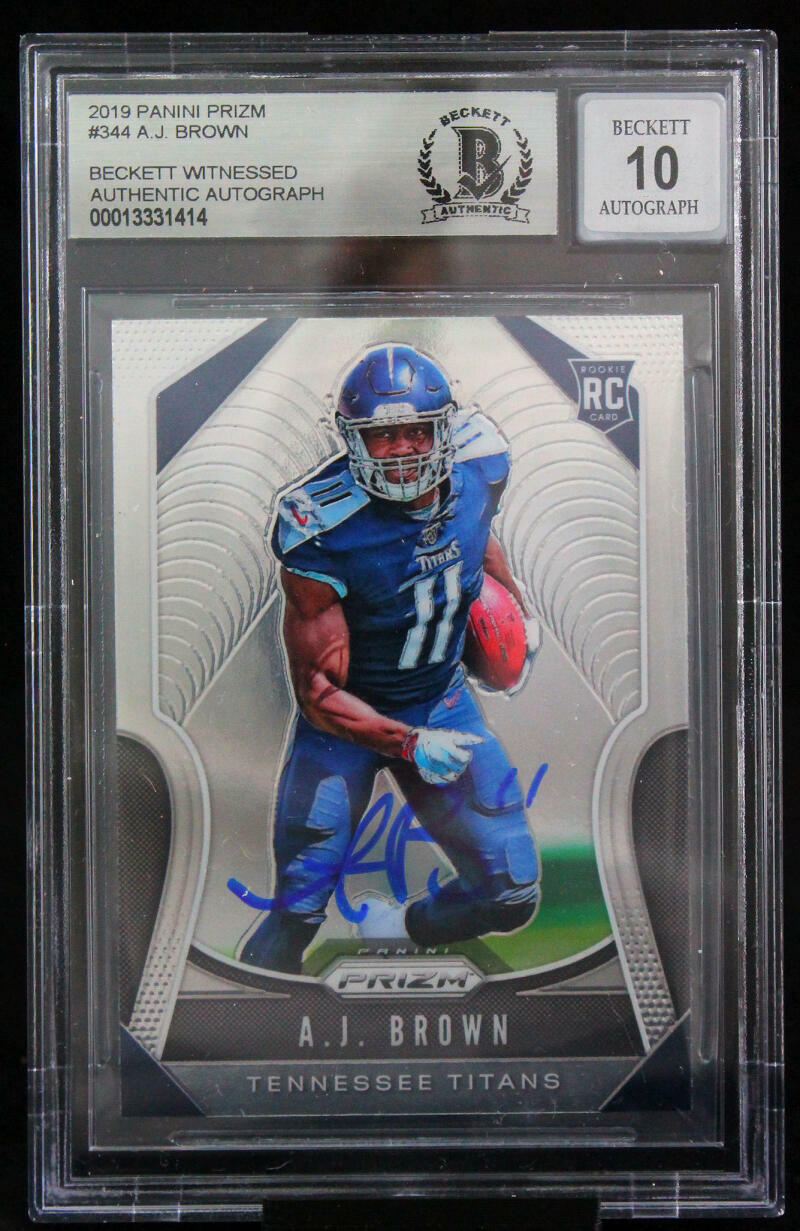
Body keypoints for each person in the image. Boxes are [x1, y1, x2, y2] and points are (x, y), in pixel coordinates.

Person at [238, 343, 541, 973]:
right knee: (297, 912)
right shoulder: (321, 525)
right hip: (344, 724)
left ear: (444, 430)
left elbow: (477, 533)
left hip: (440, 697)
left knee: (511, 892)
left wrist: (512, 612)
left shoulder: (481, 462)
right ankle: (246, 1010)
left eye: (416, 432)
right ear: (352, 441)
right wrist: (409, 743)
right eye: (382, 437)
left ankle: (402, 929)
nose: (402, 451)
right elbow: (318, 692)